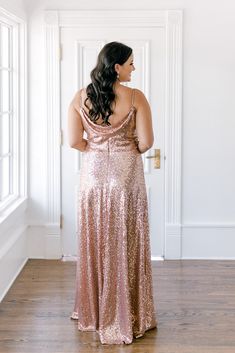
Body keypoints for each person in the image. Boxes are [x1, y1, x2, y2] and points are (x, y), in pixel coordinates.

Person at [67, 41, 157, 345]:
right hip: (126, 177)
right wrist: (123, 149)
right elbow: (146, 142)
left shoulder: (80, 97)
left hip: (91, 180)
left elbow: (73, 141)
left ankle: (93, 311)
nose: (134, 68)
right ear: (117, 67)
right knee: (126, 240)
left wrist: (96, 149)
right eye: (131, 63)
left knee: (95, 239)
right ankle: (130, 313)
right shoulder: (135, 98)